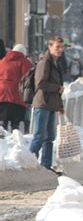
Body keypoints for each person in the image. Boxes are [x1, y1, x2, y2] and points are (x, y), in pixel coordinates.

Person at [29, 36, 65, 174]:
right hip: (42, 103)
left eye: (62, 47)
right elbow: (41, 83)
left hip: (51, 104)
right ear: (50, 47)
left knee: (50, 137)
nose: (60, 50)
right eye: (57, 47)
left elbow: (58, 86)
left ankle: (46, 166)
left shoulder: (55, 63)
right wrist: (57, 88)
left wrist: (59, 105)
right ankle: (29, 163)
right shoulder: (45, 62)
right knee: (39, 136)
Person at [0, 44, 32, 131]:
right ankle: (16, 137)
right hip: (16, 94)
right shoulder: (24, 61)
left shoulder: (3, 60)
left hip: (2, 93)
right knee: (16, 122)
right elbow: (28, 77)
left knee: (3, 120)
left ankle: (3, 139)